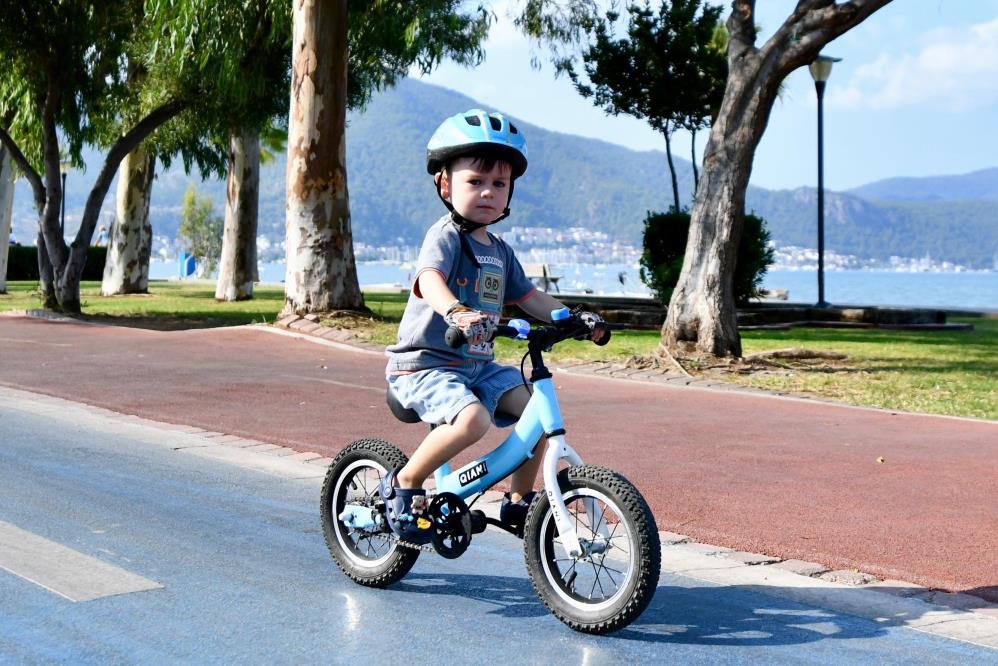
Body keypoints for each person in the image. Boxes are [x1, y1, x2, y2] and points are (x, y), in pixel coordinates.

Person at [381, 109, 606, 544]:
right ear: (445, 185)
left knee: (539, 416)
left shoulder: (500, 251)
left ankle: (519, 502)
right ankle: (406, 483)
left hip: (478, 367)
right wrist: (456, 313)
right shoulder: (445, 236)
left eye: (499, 184)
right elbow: (430, 280)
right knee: (473, 421)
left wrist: (574, 318)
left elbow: (528, 298)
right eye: (475, 182)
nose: (488, 192)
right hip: (426, 364)